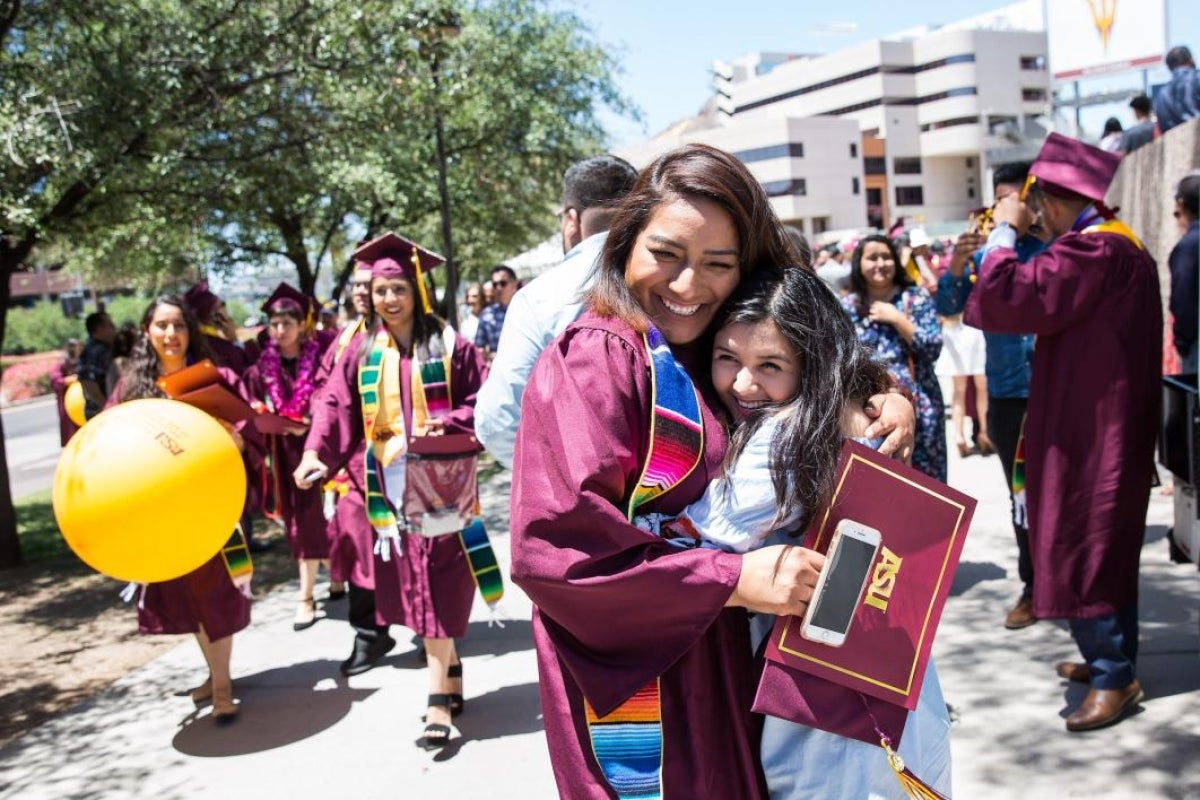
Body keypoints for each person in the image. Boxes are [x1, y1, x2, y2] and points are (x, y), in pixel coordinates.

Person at [508, 143, 917, 798]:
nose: (686, 285)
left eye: (717, 265)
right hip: (643, 665)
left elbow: (810, 350)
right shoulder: (600, 359)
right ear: (624, 242)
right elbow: (558, 553)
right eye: (664, 255)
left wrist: (879, 393)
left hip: (727, 643)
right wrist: (729, 578)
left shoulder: (703, 338)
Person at [656, 265, 952, 800]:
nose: (743, 383)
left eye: (770, 365)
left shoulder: (785, 439)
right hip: (890, 676)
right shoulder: (849, 410)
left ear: (811, 364)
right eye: (727, 358)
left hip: (824, 702)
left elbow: (691, 541)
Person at [964, 132, 1161, 732]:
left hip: (1093, 432)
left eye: (1035, 205)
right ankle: (1112, 657)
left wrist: (1002, 231)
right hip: (1101, 423)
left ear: (1049, 199)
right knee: (1106, 541)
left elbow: (1005, 294)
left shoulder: (1096, 253)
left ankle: (1112, 675)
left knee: (1086, 539)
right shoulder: (1109, 247)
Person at [295, 232, 486, 751]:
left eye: (399, 288)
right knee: (418, 582)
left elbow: (481, 399)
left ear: (416, 289)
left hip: (443, 482)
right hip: (388, 485)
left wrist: (446, 423)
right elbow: (335, 406)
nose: (389, 299)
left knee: (439, 580)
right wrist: (315, 452)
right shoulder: (361, 348)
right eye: (381, 291)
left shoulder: (448, 344)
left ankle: (437, 701)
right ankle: (450, 671)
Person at [112, 296, 254, 723]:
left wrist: (237, 438)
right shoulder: (133, 388)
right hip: (165, 509)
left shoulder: (212, 380)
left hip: (211, 505)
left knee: (217, 593)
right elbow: (111, 440)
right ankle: (214, 674)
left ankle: (225, 687)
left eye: (179, 326)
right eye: (161, 326)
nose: (171, 335)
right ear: (147, 332)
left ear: (191, 332)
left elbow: (247, 429)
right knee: (187, 597)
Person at [474, 153, 638, 466]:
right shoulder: (671, 286)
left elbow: (499, 419)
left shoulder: (539, 298)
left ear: (571, 220)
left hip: (578, 494)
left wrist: (554, 472)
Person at [940, 162, 1046, 630]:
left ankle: (1071, 588)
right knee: (1021, 496)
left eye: (1012, 201)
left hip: (1057, 394)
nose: (1004, 212)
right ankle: (1033, 587)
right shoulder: (986, 258)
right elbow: (948, 307)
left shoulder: (1056, 251)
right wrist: (959, 265)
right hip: (1007, 396)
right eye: (997, 203)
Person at [240, 283, 332, 631]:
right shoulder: (260, 368)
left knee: (318, 518)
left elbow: (329, 400)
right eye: (274, 324)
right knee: (299, 521)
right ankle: (324, 584)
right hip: (282, 453)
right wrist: (268, 421)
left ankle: (311, 593)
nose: (279, 331)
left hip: (318, 450)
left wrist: (307, 425)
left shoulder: (319, 360)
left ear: (301, 325)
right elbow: (252, 410)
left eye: (286, 324)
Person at [843, 235, 946, 481]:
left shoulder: (915, 297)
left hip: (921, 404)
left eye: (886, 257)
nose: (880, 263)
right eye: (872, 257)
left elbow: (932, 349)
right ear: (859, 263)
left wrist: (898, 319)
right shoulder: (847, 306)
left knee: (927, 484)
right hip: (869, 411)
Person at [183, 281, 251, 376]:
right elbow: (247, 374)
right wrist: (234, 340)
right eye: (222, 304)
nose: (225, 308)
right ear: (215, 314)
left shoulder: (192, 342)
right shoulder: (222, 348)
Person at [1169, 172, 1200, 372]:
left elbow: (1182, 302)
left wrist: (1182, 342)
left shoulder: (1189, 246)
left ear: (1181, 204)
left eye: (1176, 213)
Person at [473, 264, 519, 358]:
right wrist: (490, 356)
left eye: (503, 283)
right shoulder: (487, 314)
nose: (498, 288)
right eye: (495, 284)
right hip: (499, 369)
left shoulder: (526, 310)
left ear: (514, 283)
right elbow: (479, 347)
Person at [77, 311, 116, 420]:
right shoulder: (95, 351)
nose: (114, 329)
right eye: (110, 325)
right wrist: (107, 407)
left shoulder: (101, 348)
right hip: (101, 414)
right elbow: (87, 381)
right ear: (99, 328)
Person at [1153, 45, 1200, 135]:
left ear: (1169, 68)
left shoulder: (1161, 96)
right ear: (1190, 59)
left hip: (1180, 146)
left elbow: (1163, 129)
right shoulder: (1197, 77)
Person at [49, 338, 83, 446]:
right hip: (68, 401)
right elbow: (55, 380)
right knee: (70, 432)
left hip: (81, 400)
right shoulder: (62, 363)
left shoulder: (81, 360)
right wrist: (69, 379)